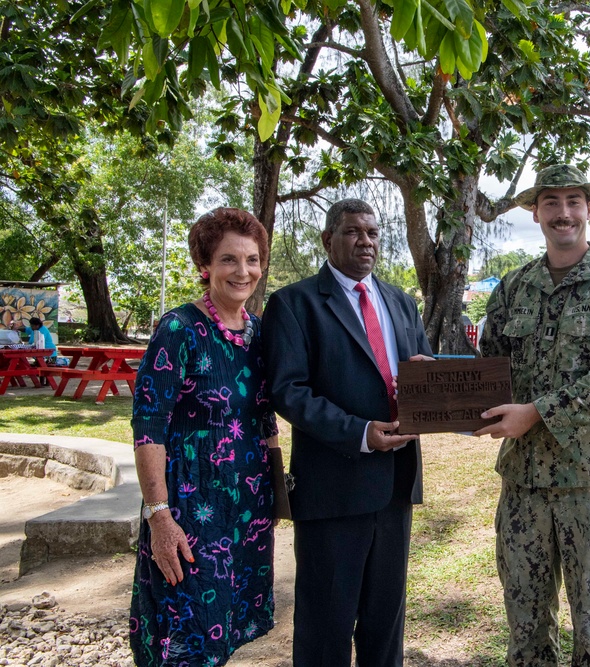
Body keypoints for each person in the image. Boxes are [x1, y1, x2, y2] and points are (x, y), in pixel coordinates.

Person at [477, 164, 590, 666]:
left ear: (589, 210)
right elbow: (491, 370)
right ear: (535, 213)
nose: (563, 213)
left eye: (573, 201)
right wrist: (441, 382)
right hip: (524, 483)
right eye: (551, 203)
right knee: (525, 624)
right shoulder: (512, 288)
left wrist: (535, 412)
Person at [260, 198, 433, 667]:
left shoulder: (400, 301)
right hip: (333, 489)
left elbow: (422, 372)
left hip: (396, 485)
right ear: (328, 239)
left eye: (374, 233)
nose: (366, 242)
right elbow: (288, 391)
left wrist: (431, 383)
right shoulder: (293, 303)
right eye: (354, 232)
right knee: (325, 627)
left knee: (385, 623)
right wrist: (359, 432)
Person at [129, 207, 281, 666]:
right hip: (191, 508)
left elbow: (266, 419)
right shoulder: (179, 329)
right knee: (187, 630)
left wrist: (276, 495)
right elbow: (147, 426)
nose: (243, 271)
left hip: (247, 505)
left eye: (252, 260)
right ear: (206, 266)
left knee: (227, 628)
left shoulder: (258, 333)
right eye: (229, 260)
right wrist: (160, 518)